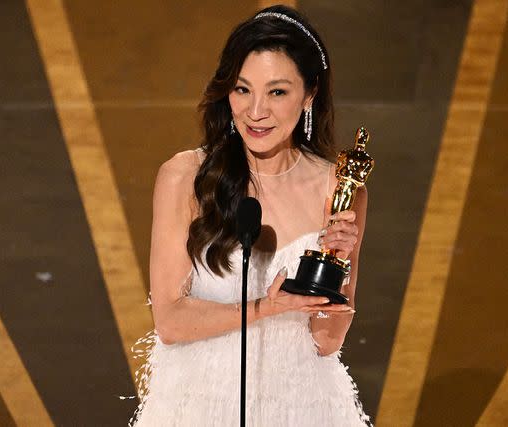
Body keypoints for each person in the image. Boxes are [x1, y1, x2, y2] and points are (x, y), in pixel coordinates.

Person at [130, 5, 371, 426]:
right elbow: (169, 321)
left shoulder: (341, 189)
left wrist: (340, 272)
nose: (255, 112)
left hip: (302, 406)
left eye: (277, 92)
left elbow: (326, 342)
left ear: (310, 93)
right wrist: (266, 307)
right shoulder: (185, 178)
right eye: (242, 90)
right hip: (200, 403)